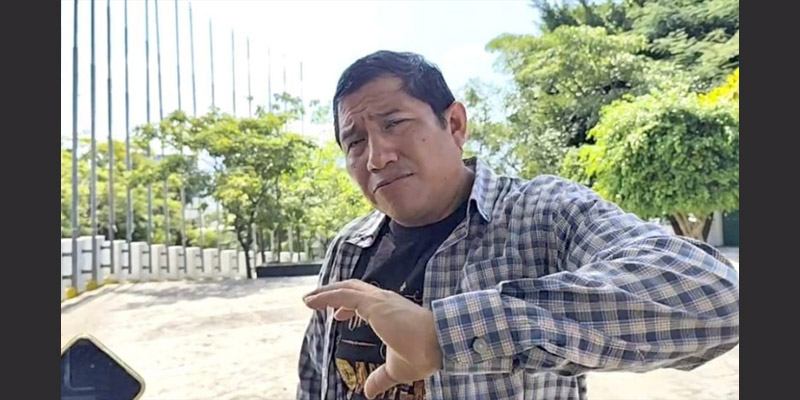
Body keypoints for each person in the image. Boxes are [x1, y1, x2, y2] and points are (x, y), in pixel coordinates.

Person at [296, 50, 739, 400]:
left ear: (454, 124)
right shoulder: (349, 248)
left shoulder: (543, 214)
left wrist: (443, 335)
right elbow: (317, 378)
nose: (377, 157)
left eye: (395, 123)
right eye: (355, 142)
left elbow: (716, 297)